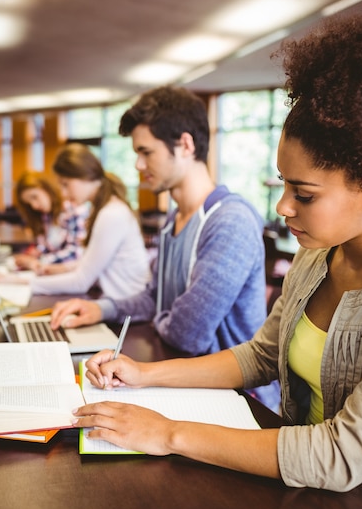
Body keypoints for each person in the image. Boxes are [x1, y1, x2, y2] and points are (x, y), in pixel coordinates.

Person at [71, 9, 362, 505]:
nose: (282, 207)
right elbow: (261, 356)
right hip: (293, 486)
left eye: (304, 194)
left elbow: (338, 456)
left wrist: (168, 434)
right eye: (282, 183)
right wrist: (142, 374)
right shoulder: (319, 257)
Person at [51, 86, 267, 355]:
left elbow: (187, 334)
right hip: (183, 372)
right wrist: (101, 309)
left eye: (146, 152)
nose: (138, 165)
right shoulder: (174, 219)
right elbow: (155, 300)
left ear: (185, 145)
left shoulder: (229, 221)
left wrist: (162, 320)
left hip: (236, 393)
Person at [29, 143, 150, 298]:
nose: (64, 194)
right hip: (116, 303)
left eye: (66, 184)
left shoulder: (111, 214)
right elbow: (94, 262)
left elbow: (80, 282)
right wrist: (64, 269)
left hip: (127, 310)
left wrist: (26, 284)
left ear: (84, 175)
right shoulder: (104, 208)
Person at [14, 170, 89, 275]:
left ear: (47, 188)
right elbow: (50, 246)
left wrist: (38, 262)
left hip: (73, 277)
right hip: (53, 275)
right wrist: (35, 254)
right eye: (29, 203)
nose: (34, 206)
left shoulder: (74, 210)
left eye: (35, 197)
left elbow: (75, 254)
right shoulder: (46, 216)